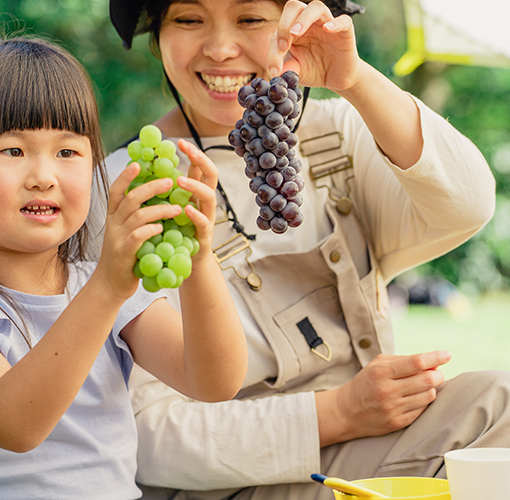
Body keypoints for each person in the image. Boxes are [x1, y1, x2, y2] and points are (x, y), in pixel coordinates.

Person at [104, 0, 510, 498]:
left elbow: (467, 204)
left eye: (250, 18)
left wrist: (355, 77)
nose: (220, 48)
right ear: (156, 37)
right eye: (189, 19)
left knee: (500, 404)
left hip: (369, 446)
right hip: (231, 483)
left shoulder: (335, 134)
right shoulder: (129, 188)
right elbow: (148, 439)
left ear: (293, 28)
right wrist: (336, 413)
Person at [0, 30, 248, 499]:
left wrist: (199, 255)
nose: (44, 177)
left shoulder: (101, 287)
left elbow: (215, 380)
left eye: (68, 152)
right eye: (13, 150)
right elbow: (16, 425)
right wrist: (108, 290)